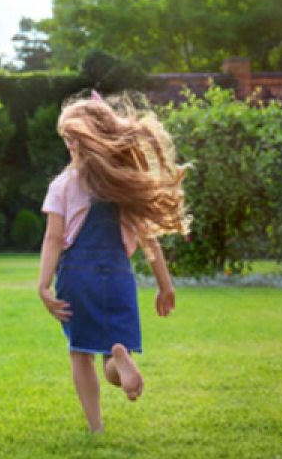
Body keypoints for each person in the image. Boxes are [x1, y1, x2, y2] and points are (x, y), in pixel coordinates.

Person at [37, 91, 190, 433]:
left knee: (80, 352)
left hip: (77, 278)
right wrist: (165, 285)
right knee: (110, 353)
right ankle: (120, 358)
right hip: (118, 276)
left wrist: (43, 284)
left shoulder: (63, 185)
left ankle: (96, 426)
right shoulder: (122, 185)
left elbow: (53, 239)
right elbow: (149, 239)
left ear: (78, 142)